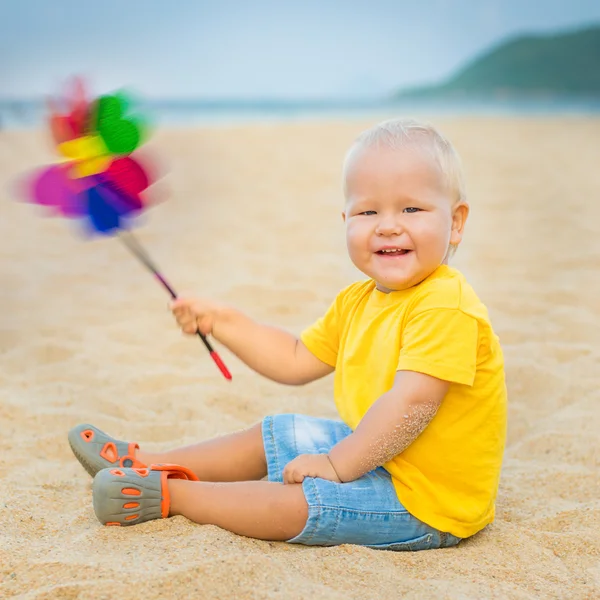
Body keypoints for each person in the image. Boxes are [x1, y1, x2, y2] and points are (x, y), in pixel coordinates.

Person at [68, 117, 507, 552]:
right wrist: (224, 323)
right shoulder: (359, 300)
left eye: (411, 208)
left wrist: (337, 464)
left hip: (428, 501)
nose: (387, 225)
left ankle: (171, 496)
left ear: (456, 223)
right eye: (368, 211)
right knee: (276, 430)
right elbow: (295, 358)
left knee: (305, 503)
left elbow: (412, 404)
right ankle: (146, 464)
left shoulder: (445, 304)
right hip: (384, 455)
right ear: (345, 220)